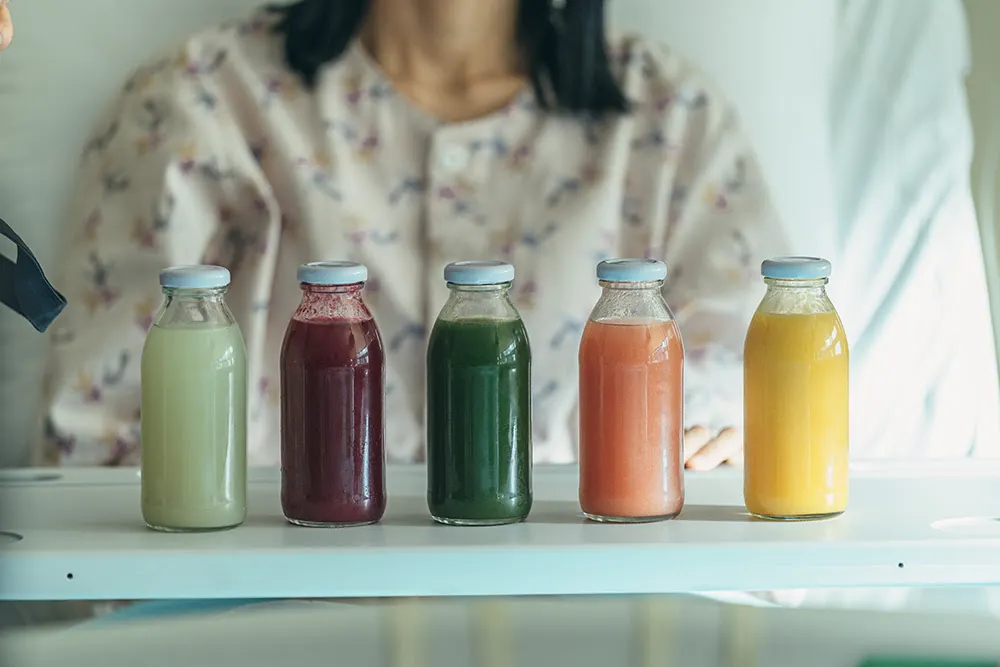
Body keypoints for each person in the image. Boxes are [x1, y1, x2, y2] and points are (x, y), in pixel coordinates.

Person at [41, 0, 789, 470]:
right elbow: (95, 452)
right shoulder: (196, 105)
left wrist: (717, 448)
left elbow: (755, 410)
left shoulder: (670, 121)